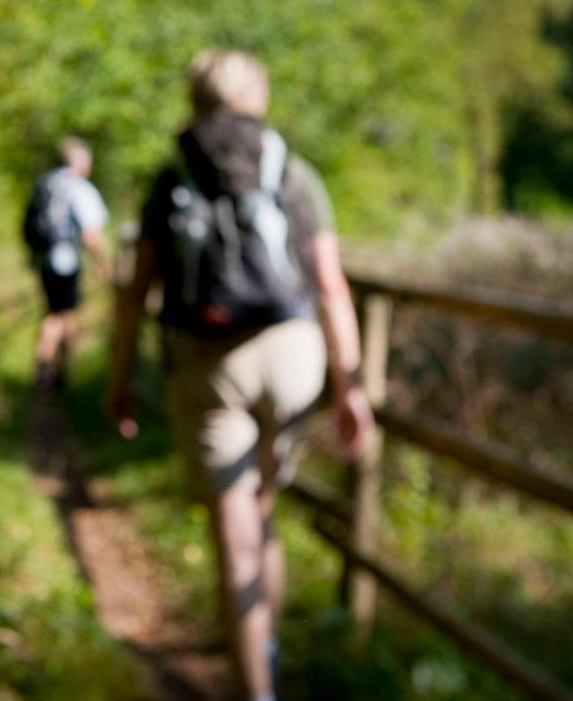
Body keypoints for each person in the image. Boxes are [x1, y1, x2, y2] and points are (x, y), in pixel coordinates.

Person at [106, 49, 374, 700]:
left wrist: (121, 374)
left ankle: (255, 686)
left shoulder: (172, 173)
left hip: (206, 359)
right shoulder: (293, 170)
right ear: (261, 96)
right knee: (263, 508)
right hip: (293, 352)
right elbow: (332, 287)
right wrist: (352, 385)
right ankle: (266, 649)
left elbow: (136, 291)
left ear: (193, 97)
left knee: (233, 525)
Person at [24, 137, 111, 390]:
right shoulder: (78, 187)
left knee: (52, 312)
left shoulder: (47, 183)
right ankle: (57, 371)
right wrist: (104, 264)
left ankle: (45, 365)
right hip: (67, 260)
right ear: (81, 162)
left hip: (44, 258)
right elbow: (91, 234)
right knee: (68, 314)